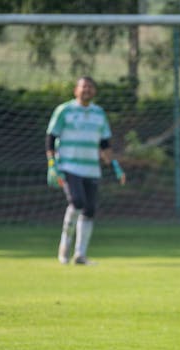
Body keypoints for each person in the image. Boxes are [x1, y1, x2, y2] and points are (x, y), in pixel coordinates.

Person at [46, 76, 126, 265]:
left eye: (90, 87)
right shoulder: (64, 110)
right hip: (68, 165)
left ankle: (80, 255)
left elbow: (105, 143)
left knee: (89, 210)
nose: (86, 90)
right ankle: (64, 248)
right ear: (76, 90)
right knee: (77, 202)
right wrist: (51, 164)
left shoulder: (99, 113)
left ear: (94, 91)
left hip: (91, 168)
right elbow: (51, 137)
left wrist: (115, 167)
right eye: (83, 87)